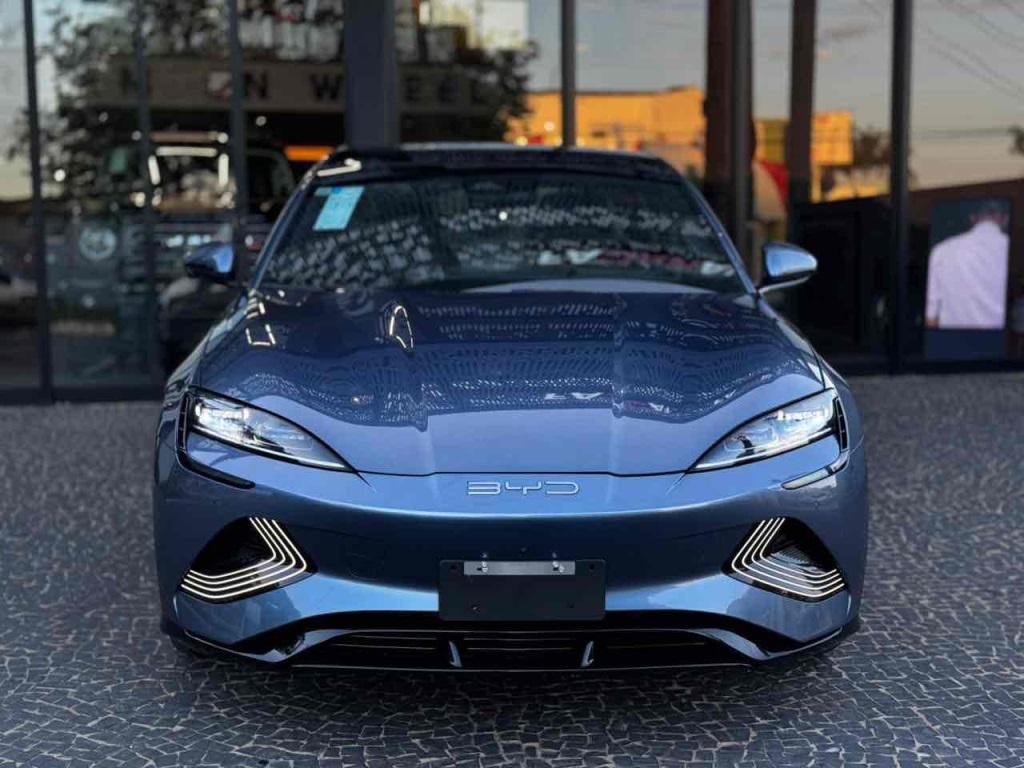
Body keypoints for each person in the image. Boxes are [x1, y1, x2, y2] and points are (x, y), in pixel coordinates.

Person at [925, 201, 1010, 329]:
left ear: (972, 218)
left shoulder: (942, 250)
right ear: (1005, 219)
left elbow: (931, 315)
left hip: (952, 337)